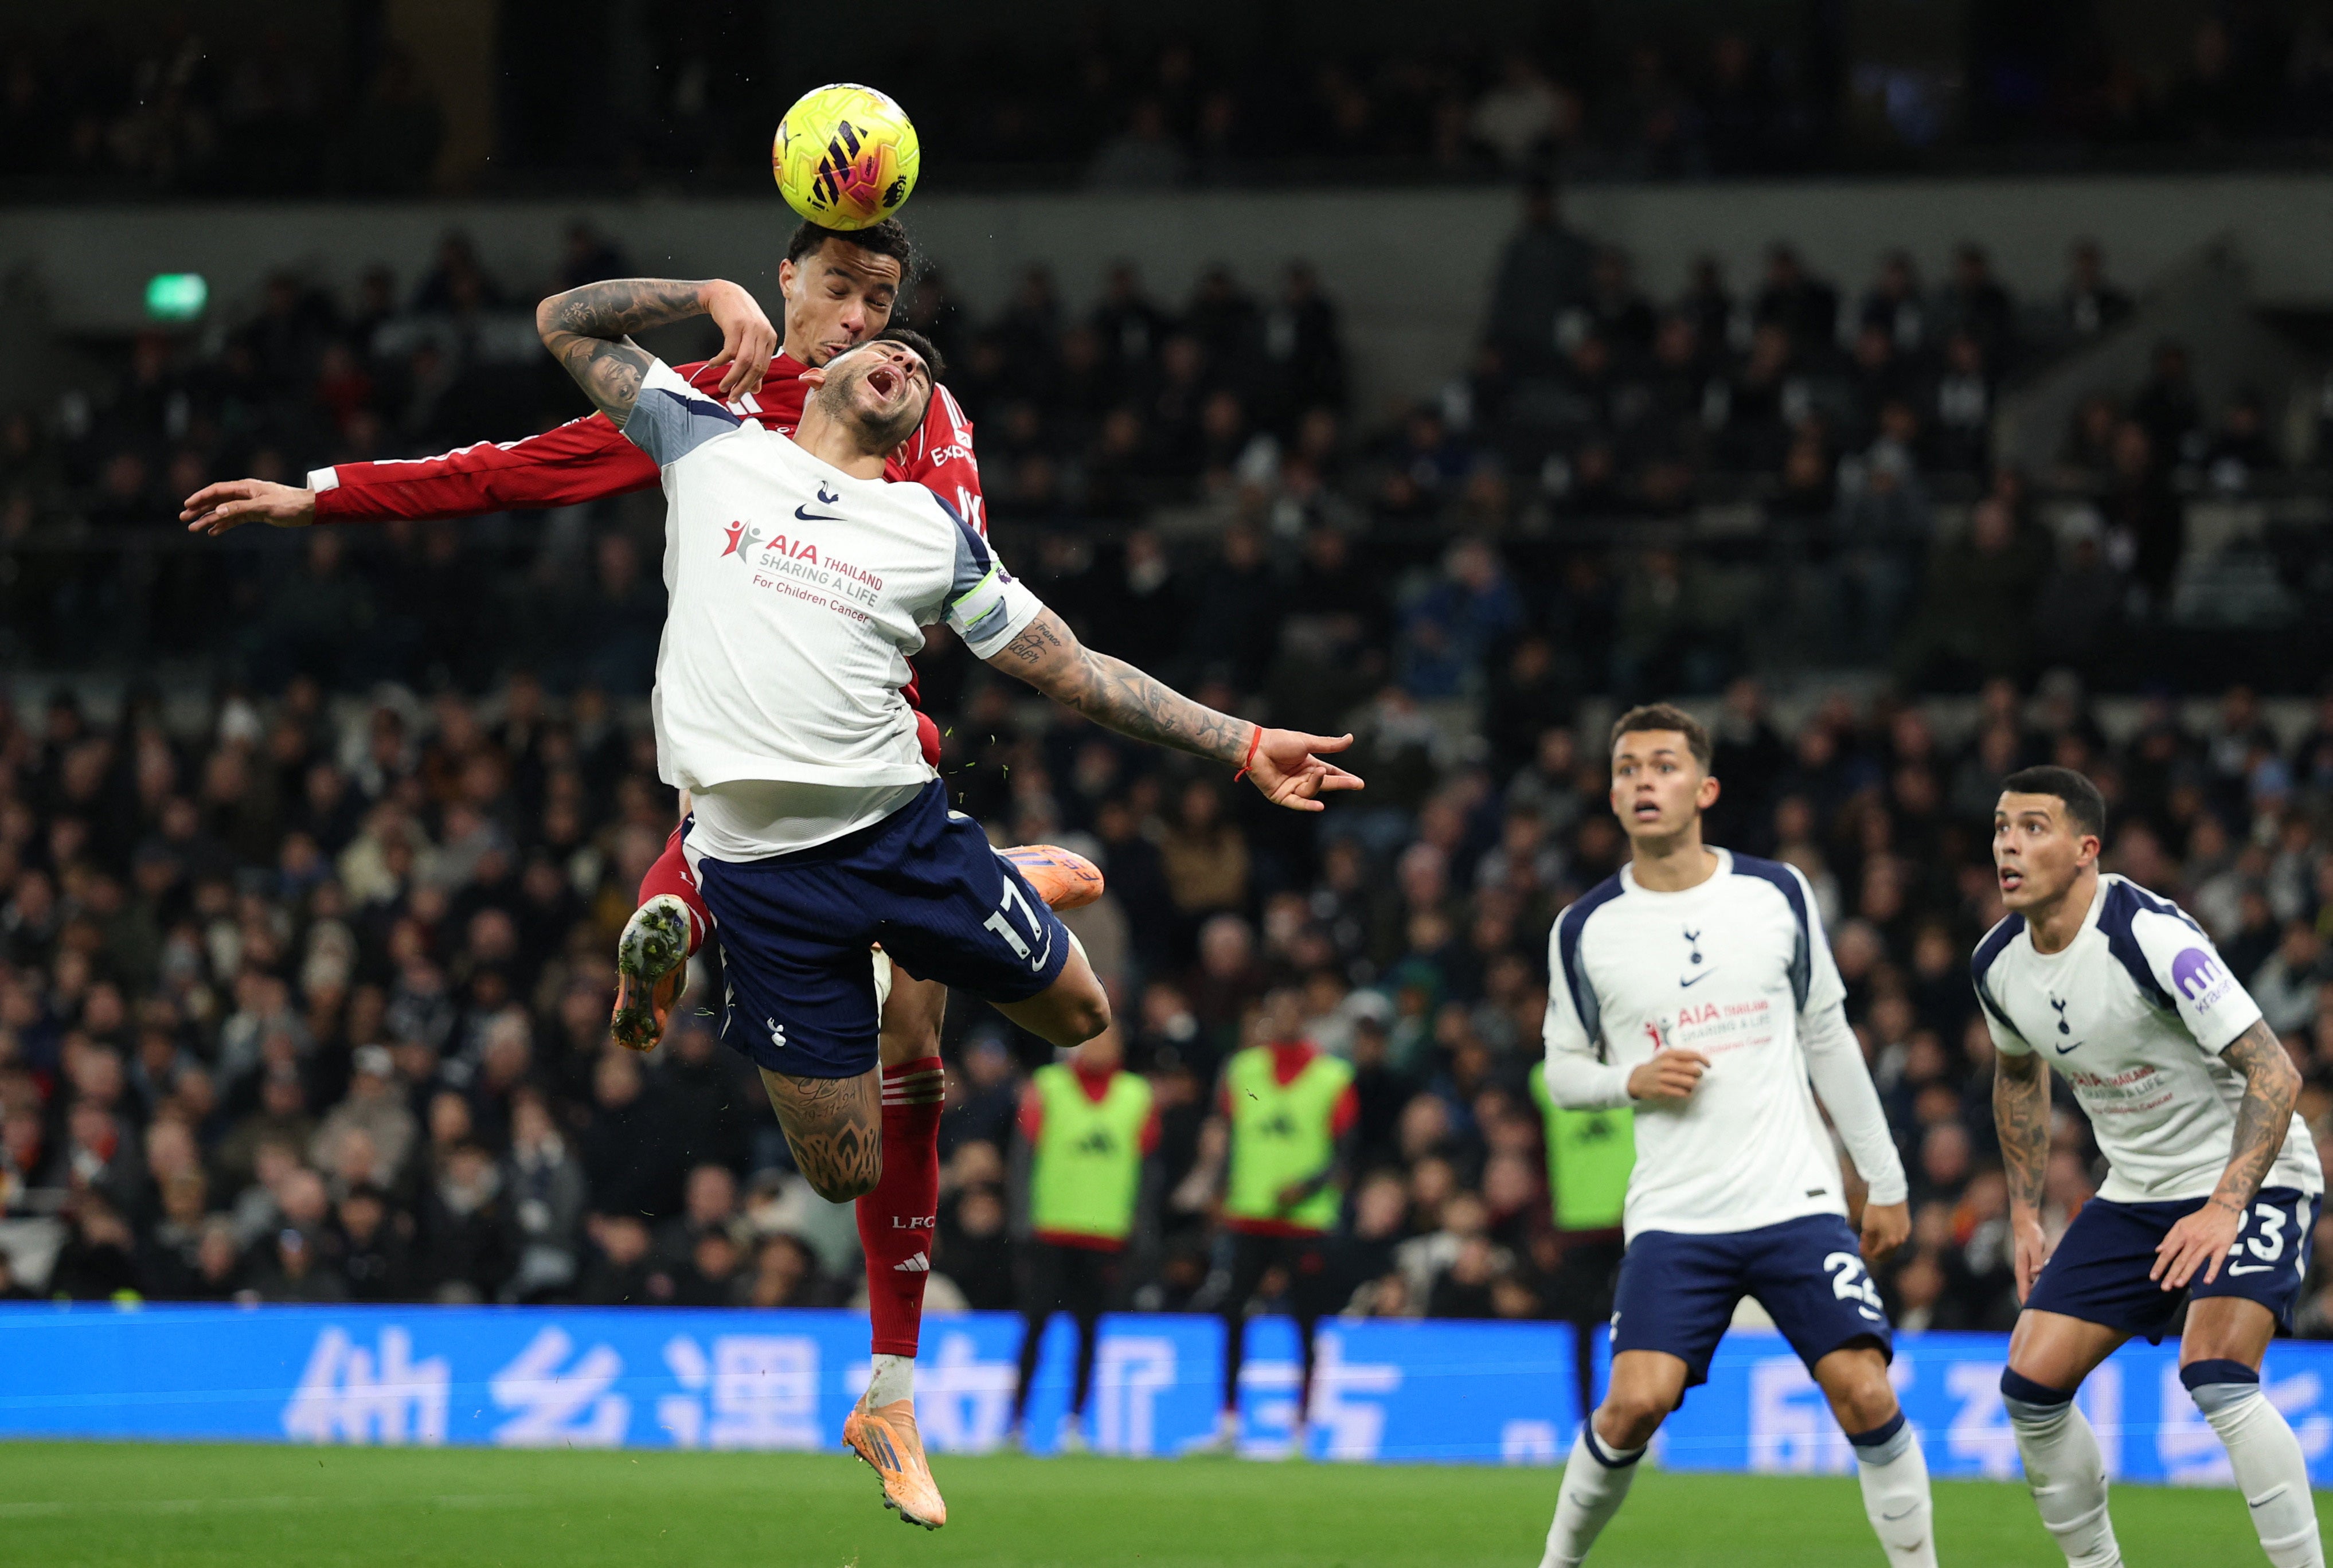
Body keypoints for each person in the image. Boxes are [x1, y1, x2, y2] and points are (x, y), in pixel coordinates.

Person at [177, 216, 1091, 1495]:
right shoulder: (716, 402)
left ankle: (892, 1383)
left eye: (881, 298)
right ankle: (781, 922)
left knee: (909, 1039)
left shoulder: (923, 420)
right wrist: (323, 489)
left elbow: (976, 596)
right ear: (784, 281)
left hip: (875, 760)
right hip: (754, 766)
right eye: (838, 290)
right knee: (789, 902)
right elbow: (513, 465)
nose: (860, 322)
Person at [520, 273, 1359, 1523]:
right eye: (884, 344)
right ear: (835, 374)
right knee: (845, 1167)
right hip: (764, 875)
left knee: (1081, 1019)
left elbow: (1074, 672)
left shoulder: (931, 536)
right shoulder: (708, 440)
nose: (901, 356)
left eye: (920, 359)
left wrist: (1240, 744)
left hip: (900, 838)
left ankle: (976, 884)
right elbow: (564, 324)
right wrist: (702, 295)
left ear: (921, 422)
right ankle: (777, 949)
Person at [1536, 705, 1929, 1568]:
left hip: (1796, 1199)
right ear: (1609, 793)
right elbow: (1562, 1067)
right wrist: (1624, 1079)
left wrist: (1885, 1178)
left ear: (1704, 788)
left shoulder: (1775, 893)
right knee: (1634, 1404)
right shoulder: (1585, 928)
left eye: (1664, 765)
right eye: (1629, 767)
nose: (1645, 780)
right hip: (1676, 1213)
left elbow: (1828, 1035)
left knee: (1863, 1388)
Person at [1977, 767, 2324, 1568]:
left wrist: (2222, 1206)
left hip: (2252, 1172)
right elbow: (2018, 1073)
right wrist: (2027, 1212)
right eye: (2000, 826)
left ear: (2084, 850)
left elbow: (2277, 1073)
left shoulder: (2148, 936)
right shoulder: (1996, 963)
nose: (2008, 843)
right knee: (2029, 1386)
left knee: (2215, 1371)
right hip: (2136, 1190)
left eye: (2033, 826)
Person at [1188, 1010, 1359, 1456]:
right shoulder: (1243, 1070)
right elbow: (1229, 1138)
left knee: (1304, 1319)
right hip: (1249, 1214)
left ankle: (1301, 1428)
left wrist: (1306, 1186)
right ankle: (1228, 1422)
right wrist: (1220, 1190)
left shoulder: (1331, 1076)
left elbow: (1345, 1154)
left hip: (1305, 1219)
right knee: (1231, 1311)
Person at [1006, 1020, 1157, 1452]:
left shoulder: (1136, 1095)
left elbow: (1149, 1171)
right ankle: (1016, 1421)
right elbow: (1023, 1157)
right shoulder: (1048, 1086)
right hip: (1050, 1229)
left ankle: (1075, 1423)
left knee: (1089, 1332)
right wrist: (1022, 1220)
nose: (1099, 1046)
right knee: (1035, 1327)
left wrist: (1140, 1229)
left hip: (1105, 1234)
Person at [1525, 1057, 1632, 1423]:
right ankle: (1586, 1421)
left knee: (1635, 1328)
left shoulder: (1636, 1069)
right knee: (1585, 1329)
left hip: (1631, 1225)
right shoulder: (1545, 1080)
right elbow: (1538, 1155)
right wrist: (1542, 1226)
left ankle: (1635, 1417)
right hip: (1576, 1229)